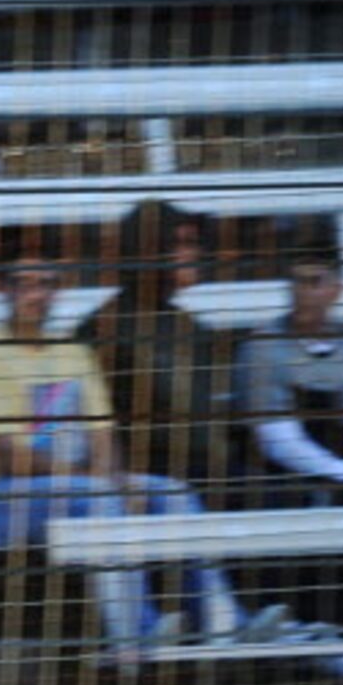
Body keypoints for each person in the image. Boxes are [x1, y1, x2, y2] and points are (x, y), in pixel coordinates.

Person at [0, 256, 255, 670]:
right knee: (97, 496)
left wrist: (117, 478)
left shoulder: (73, 352)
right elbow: (6, 456)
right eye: (25, 283)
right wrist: (100, 481)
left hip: (67, 490)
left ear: (59, 292)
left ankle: (221, 622)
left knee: (171, 493)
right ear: (4, 290)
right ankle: (135, 634)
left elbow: (102, 432)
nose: (36, 294)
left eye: (47, 284)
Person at [89, 203, 241, 497]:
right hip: (157, 486)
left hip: (212, 474)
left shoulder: (188, 325)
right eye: (182, 244)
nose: (193, 253)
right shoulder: (107, 330)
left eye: (193, 243)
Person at [232, 260, 343, 507]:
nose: (302, 292)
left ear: (337, 290)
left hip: (342, 475)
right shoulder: (263, 347)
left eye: (314, 282)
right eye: (297, 282)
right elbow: (277, 441)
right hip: (276, 481)